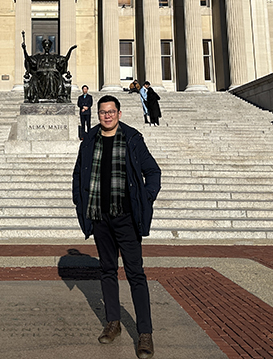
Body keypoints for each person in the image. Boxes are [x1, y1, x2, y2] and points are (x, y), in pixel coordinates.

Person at [72, 95, 161, 359]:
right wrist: (80, 200)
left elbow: (153, 171)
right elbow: (79, 174)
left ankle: (145, 333)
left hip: (126, 217)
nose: (107, 116)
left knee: (136, 274)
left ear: (119, 114)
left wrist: (146, 198)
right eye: (102, 112)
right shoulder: (89, 140)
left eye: (111, 112)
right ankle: (113, 322)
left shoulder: (132, 139)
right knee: (107, 270)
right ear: (98, 115)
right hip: (100, 217)